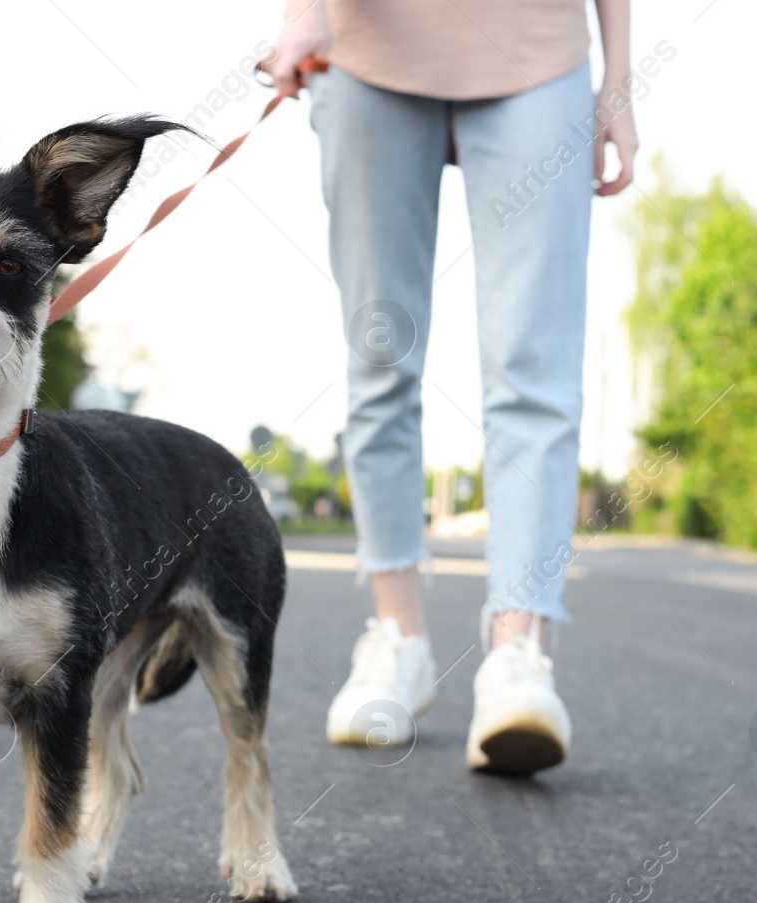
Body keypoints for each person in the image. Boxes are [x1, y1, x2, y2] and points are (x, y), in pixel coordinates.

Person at [269, 0, 638, 773]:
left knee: (534, 373)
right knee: (380, 363)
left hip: (539, 51)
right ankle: (397, 639)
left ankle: (518, 650)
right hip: (365, 51)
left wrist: (618, 82)